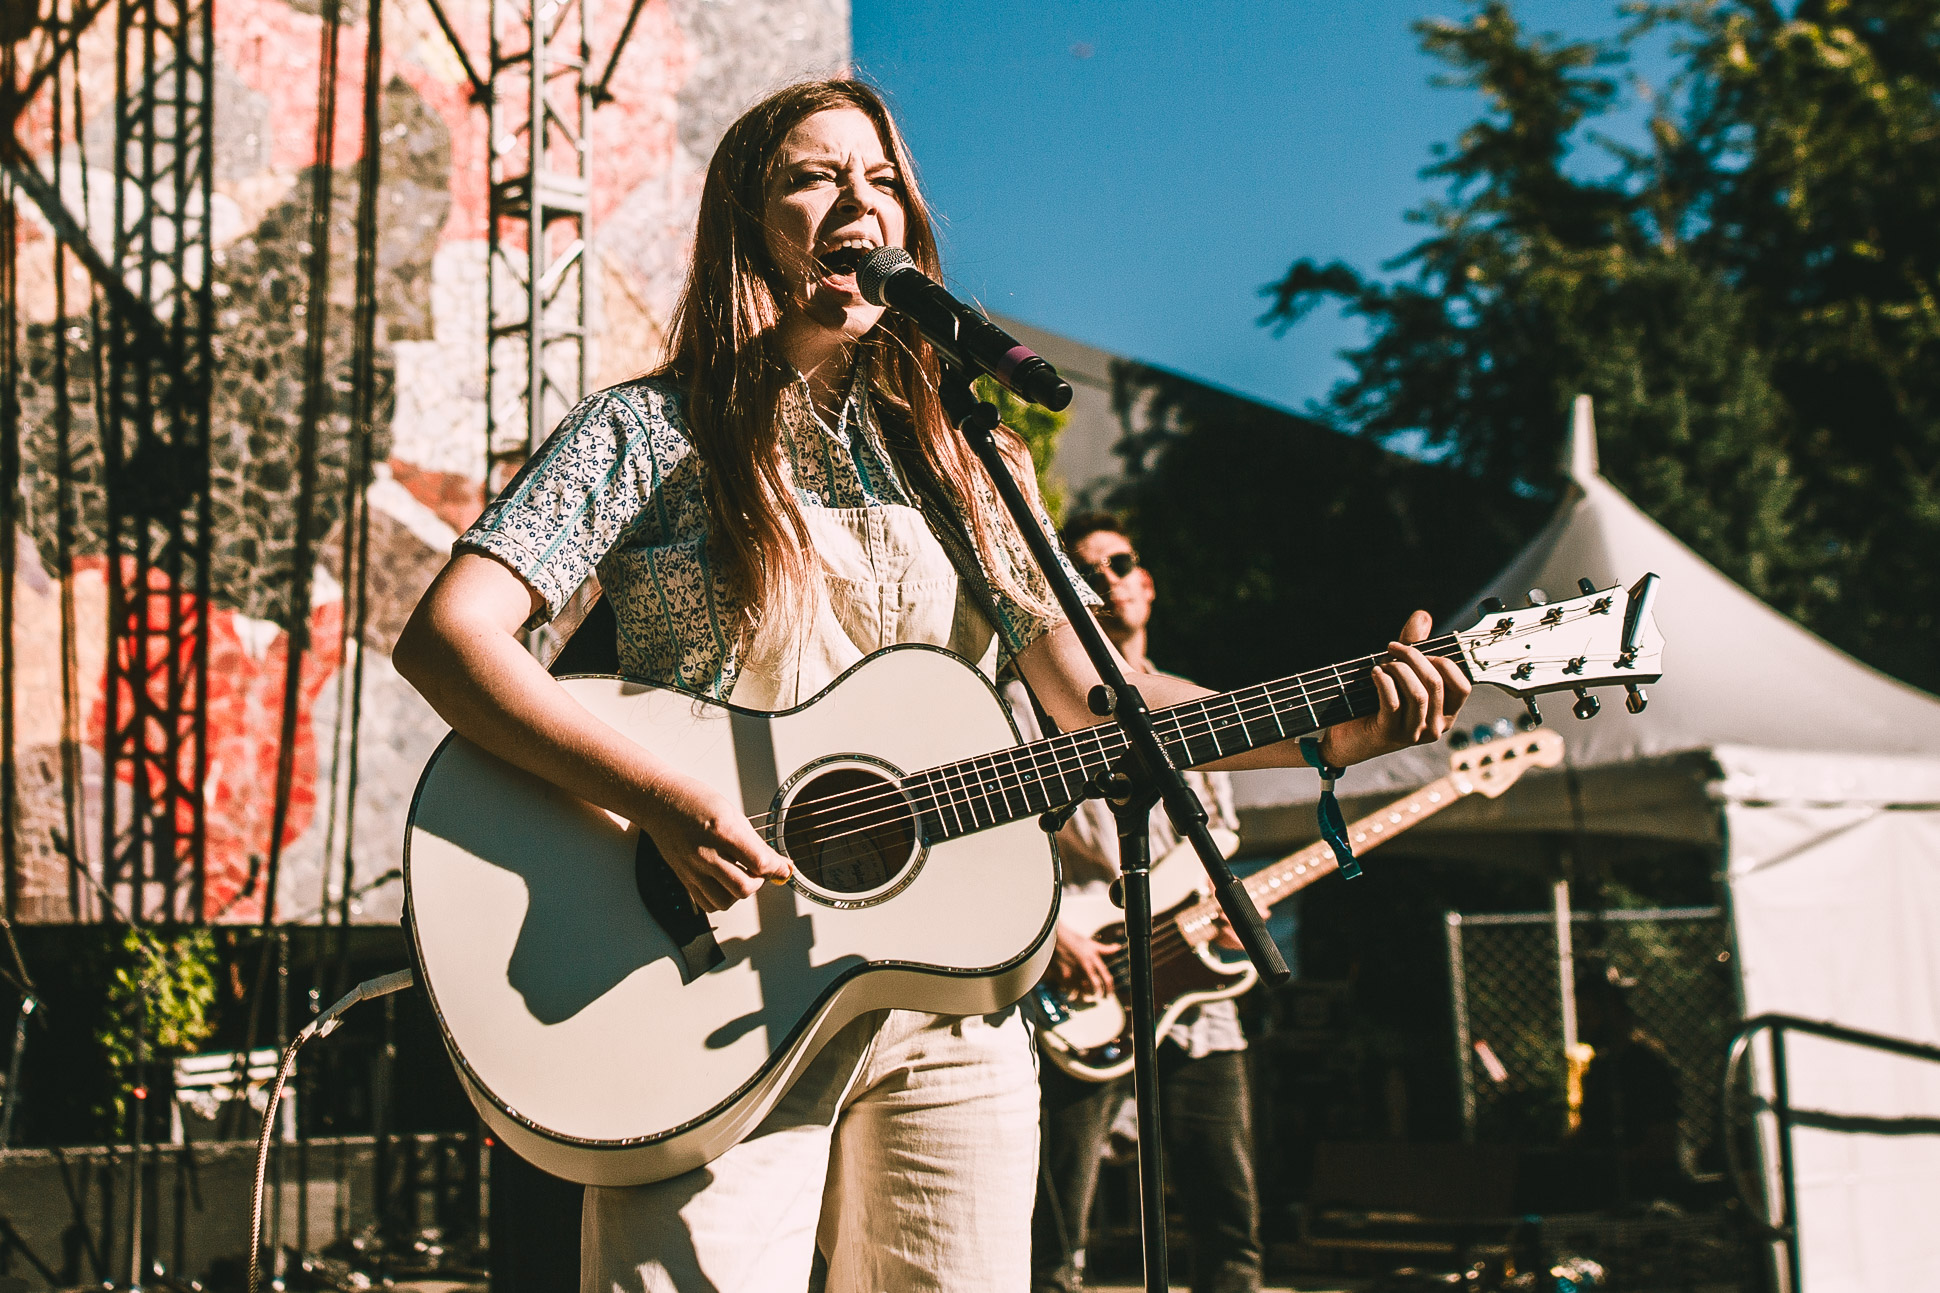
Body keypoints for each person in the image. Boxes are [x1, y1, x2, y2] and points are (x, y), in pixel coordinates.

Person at [394, 78, 1471, 1293]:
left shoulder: (966, 457)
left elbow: (1097, 700)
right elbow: (450, 637)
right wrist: (652, 796)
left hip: (947, 997)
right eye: (812, 176)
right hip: (696, 980)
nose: (858, 199)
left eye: (880, 179)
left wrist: (1326, 733)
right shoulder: (648, 431)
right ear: (746, 224)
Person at [1011, 512, 1260, 1293]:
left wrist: (1226, 906)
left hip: (1196, 998)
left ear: (1146, 582)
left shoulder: (1192, 706)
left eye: (1120, 563)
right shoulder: (1027, 703)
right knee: (1054, 1242)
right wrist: (1046, 934)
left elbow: (1216, 844)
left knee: (1231, 1228)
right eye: (1087, 571)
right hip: (1084, 985)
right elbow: (1001, 844)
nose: (1109, 580)